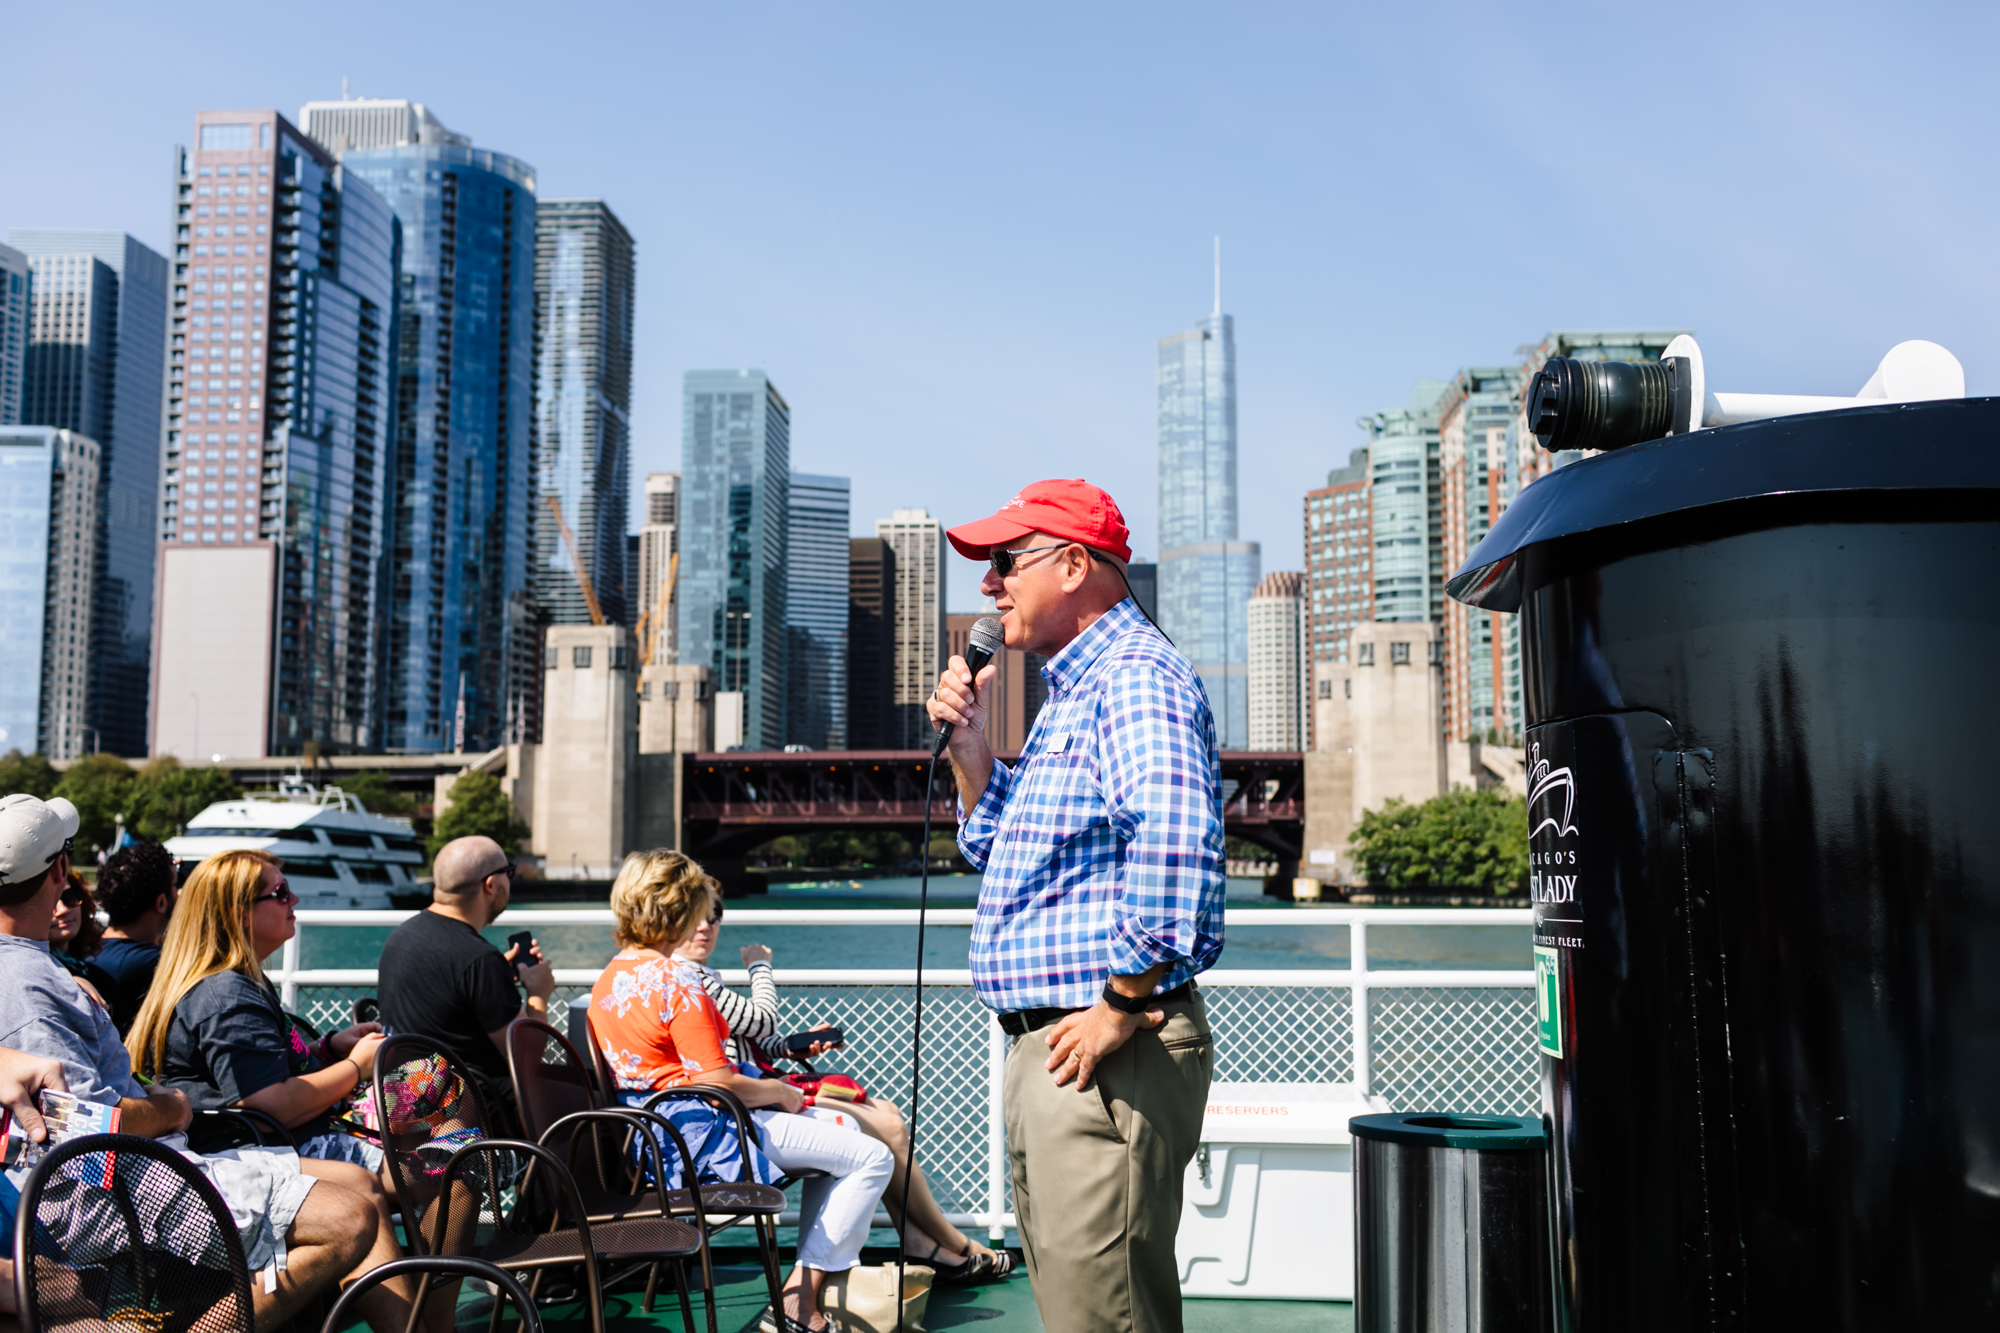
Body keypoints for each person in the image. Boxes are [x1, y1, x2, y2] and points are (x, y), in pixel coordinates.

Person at [928, 479, 1224, 1333]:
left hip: (1103, 1049)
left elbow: (1175, 843)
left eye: (1003, 562)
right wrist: (973, 751)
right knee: (1079, 1313)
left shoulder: (1133, 679)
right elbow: (1004, 850)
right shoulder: (1075, 691)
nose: (989, 585)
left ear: (1072, 564)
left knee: (1107, 1320)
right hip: (1059, 1049)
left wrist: (1121, 1005)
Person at [0, 793, 425, 1333]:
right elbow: (84, 1133)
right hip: (122, 1194)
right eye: (280, 893)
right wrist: (170, 1108)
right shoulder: (30, 986)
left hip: (142, 1171)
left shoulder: (37, 971)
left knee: (357, 1198)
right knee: (354, 1215)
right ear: (60, 868)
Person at [591, 850, 894, 1333]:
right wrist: (781, 1091)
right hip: (699, 1136)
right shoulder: (677, 981)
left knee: (840, 1136)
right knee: (872, 1157)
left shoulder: (609, 978)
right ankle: (800, 1295)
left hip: (650, 1136)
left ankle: (805, 1291)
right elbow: (716, 1081)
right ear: (683, 908)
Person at [673, 896, 1016, 1283]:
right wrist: (760, 966)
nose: (705, 927)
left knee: (888, 1115)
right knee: (888, 1129)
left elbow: (748, 1041)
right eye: (694, 917)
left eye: (713, 917)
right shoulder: (690, 981)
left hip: (756, 1091)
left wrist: (792, 1046)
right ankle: (947, 1242)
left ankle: (922, 1242)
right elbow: (762, 1020)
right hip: (745, 1105)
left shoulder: (700, 977)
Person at [128, 849, 389, 1171]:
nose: (294, 899)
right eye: (280, 893)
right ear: (240, 915)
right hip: (256, 1150)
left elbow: (261, 1066)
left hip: (283, 1138)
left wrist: (326, 1049)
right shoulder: (226, 994)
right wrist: (356, 1066)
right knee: (439, 1174)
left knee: (438, 1153)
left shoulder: (237, 981)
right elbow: (268, 1105)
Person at [376, 835, 553, 1128]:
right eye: (508, 872)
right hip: (475, 1111)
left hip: (408, 1103)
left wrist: (497, 981)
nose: (510, 880)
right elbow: (528, 1059)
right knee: (596, 1108)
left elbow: (446, 999)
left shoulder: (400, 937)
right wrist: (538, 993)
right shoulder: (479, 959)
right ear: (491, 885)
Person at [94, 842, 180, 1035]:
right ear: (161, 902)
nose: (179, 892)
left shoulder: (93, 945)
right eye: (176, 885)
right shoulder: (147, 963)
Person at [48, 870, 114, 1009]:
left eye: (70, 897)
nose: (63, 909)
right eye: (50, 901)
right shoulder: (38, 976)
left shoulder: (98, 975)